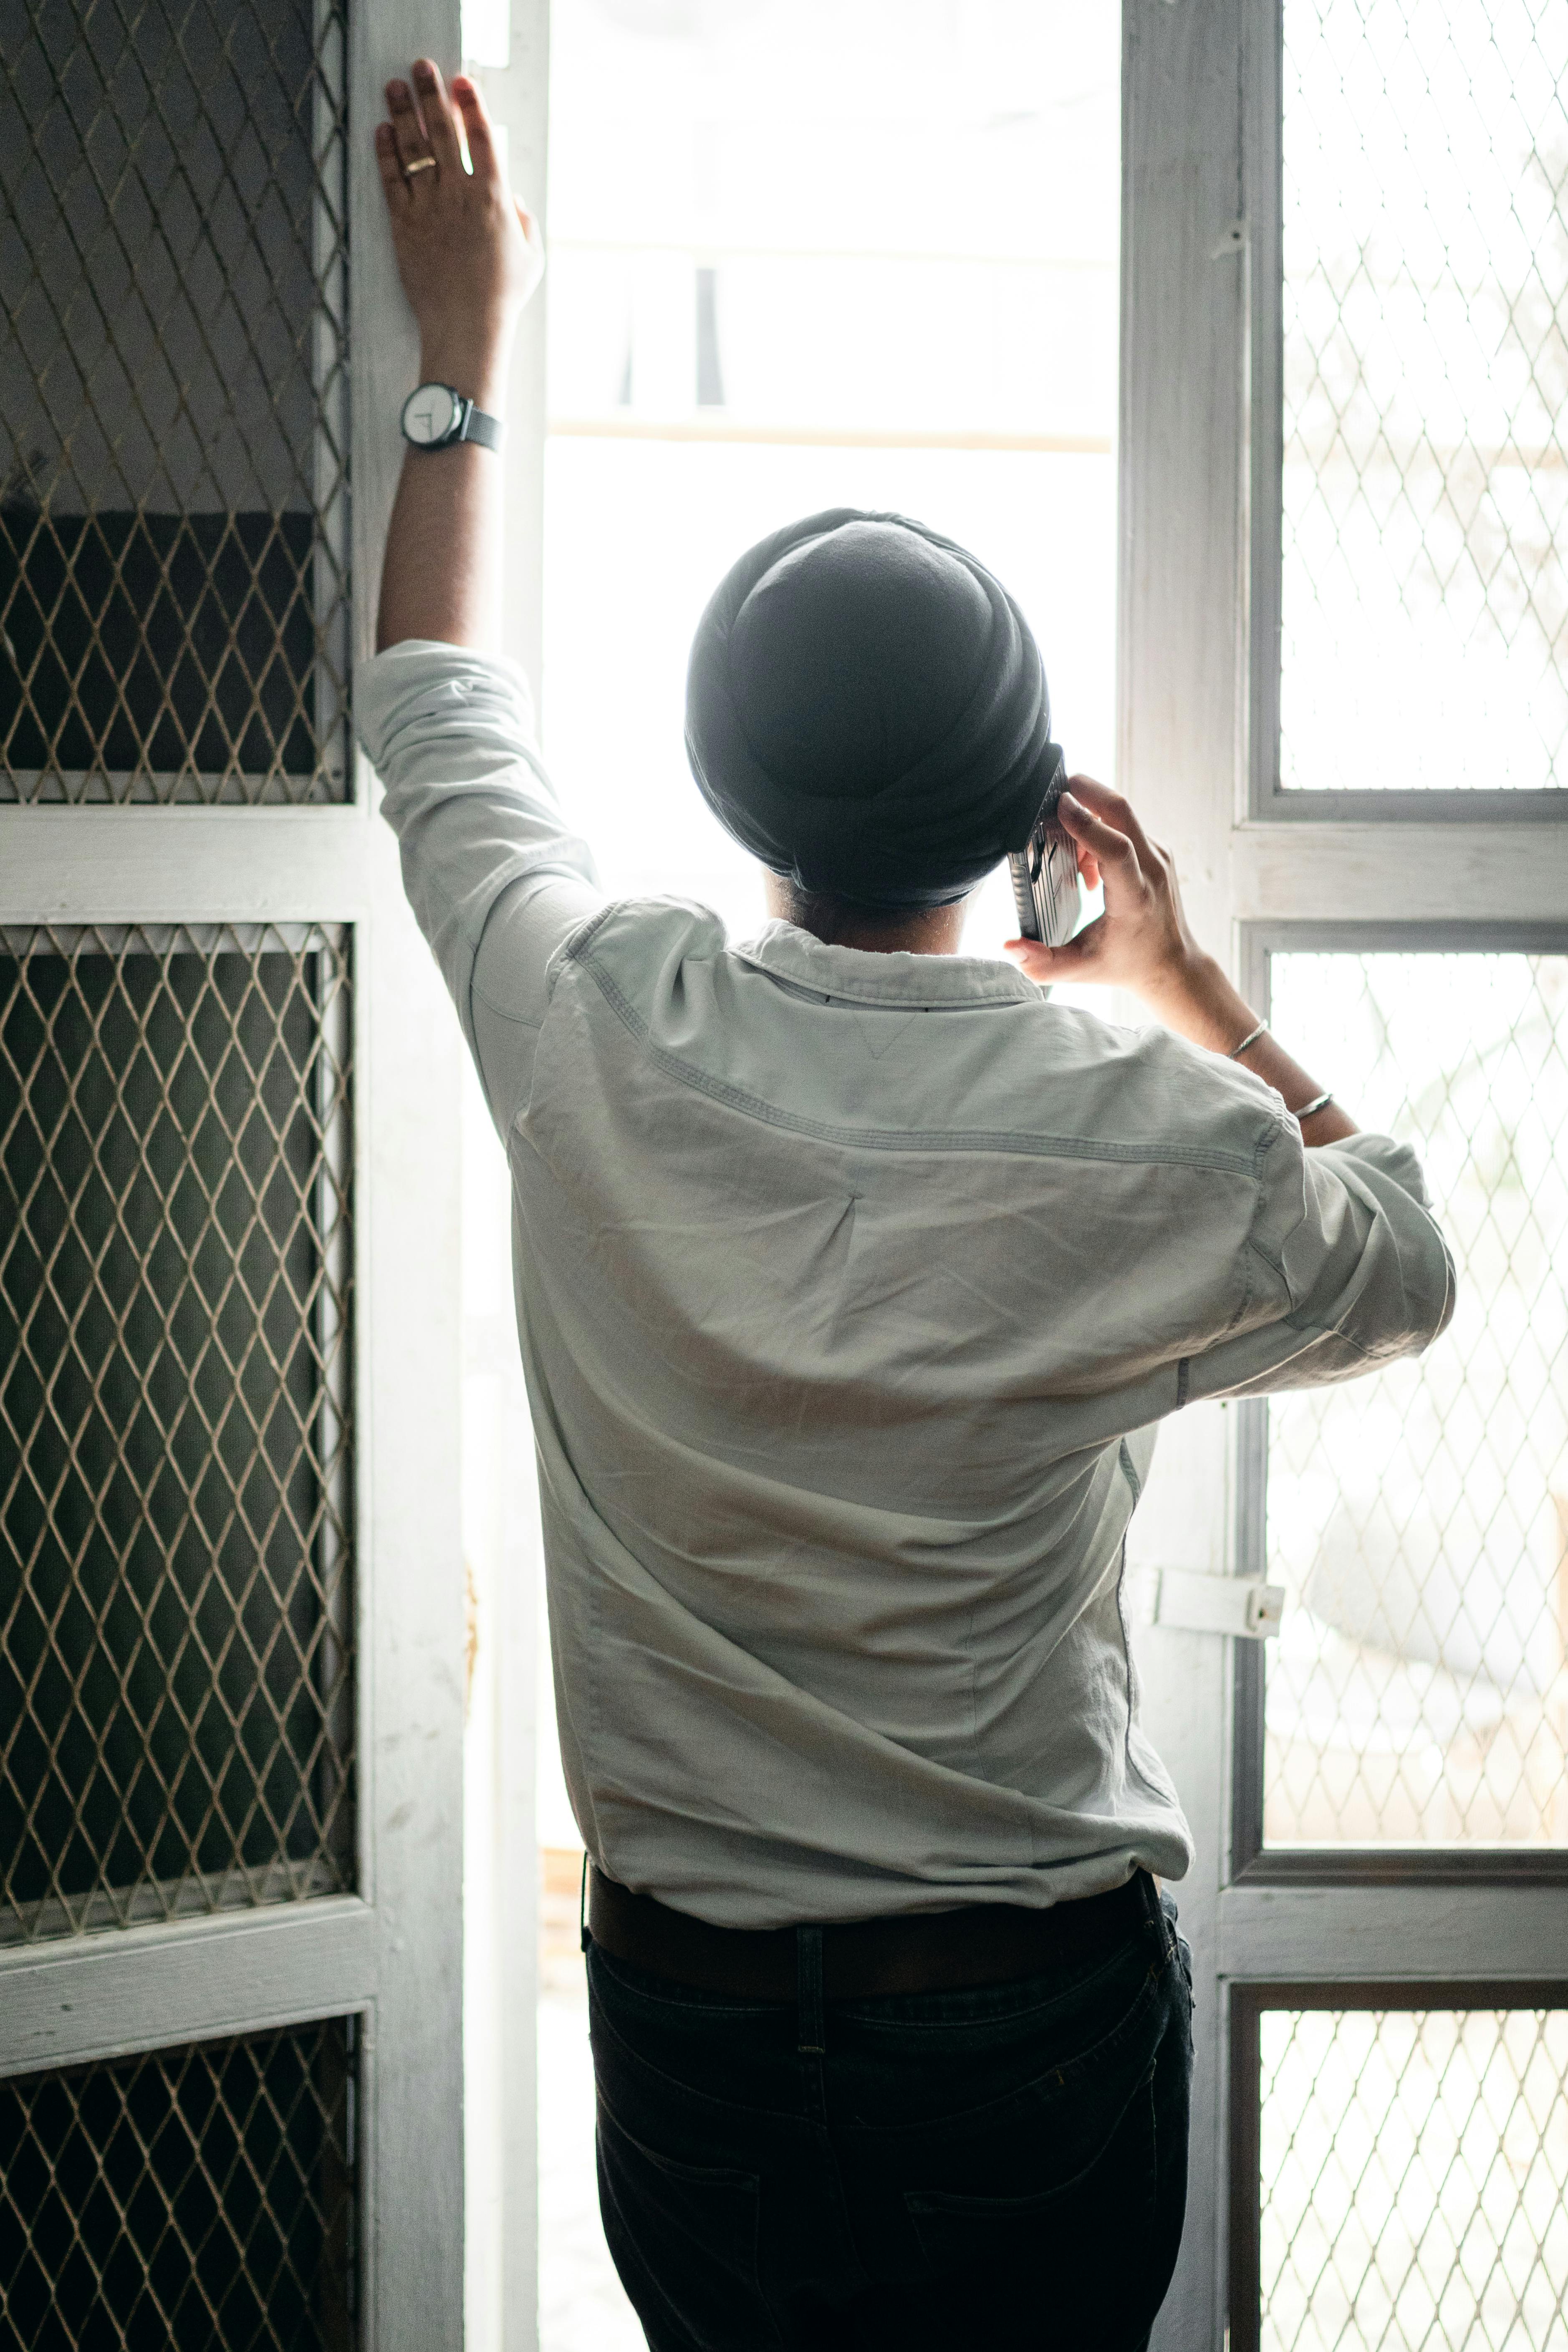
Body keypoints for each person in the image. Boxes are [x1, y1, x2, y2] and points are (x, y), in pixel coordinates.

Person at [364, 63, 1454, 2352]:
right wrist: (1185, 989)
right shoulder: (1138, 1127)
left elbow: (439, 713)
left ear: (734, 793)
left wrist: (469, 338)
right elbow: (1404, 1252)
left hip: (695, 2033)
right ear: (1027, 811)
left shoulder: (590, 1022)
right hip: (1027, 2024)